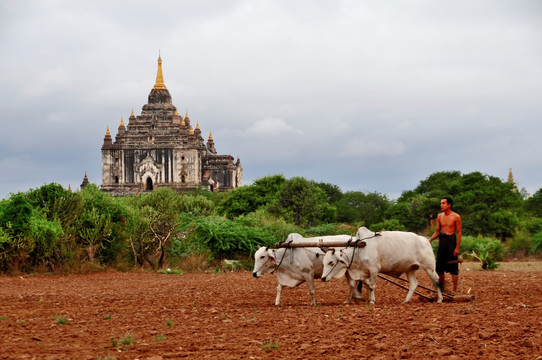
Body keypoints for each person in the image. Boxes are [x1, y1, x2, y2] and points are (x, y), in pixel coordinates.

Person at [428, 197, 462, 295]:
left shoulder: (456, 216)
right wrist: (429, 240)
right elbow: (438, 231)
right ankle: (441, 289)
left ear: (449, 205)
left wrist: (457, 248)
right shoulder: (440, 216)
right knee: (439, 266)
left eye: (443, 203)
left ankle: (454, 290)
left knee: (453, 266)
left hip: (451, 241)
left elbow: (459, 232)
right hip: (442, 241)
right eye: (441, 203)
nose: (441, 205)